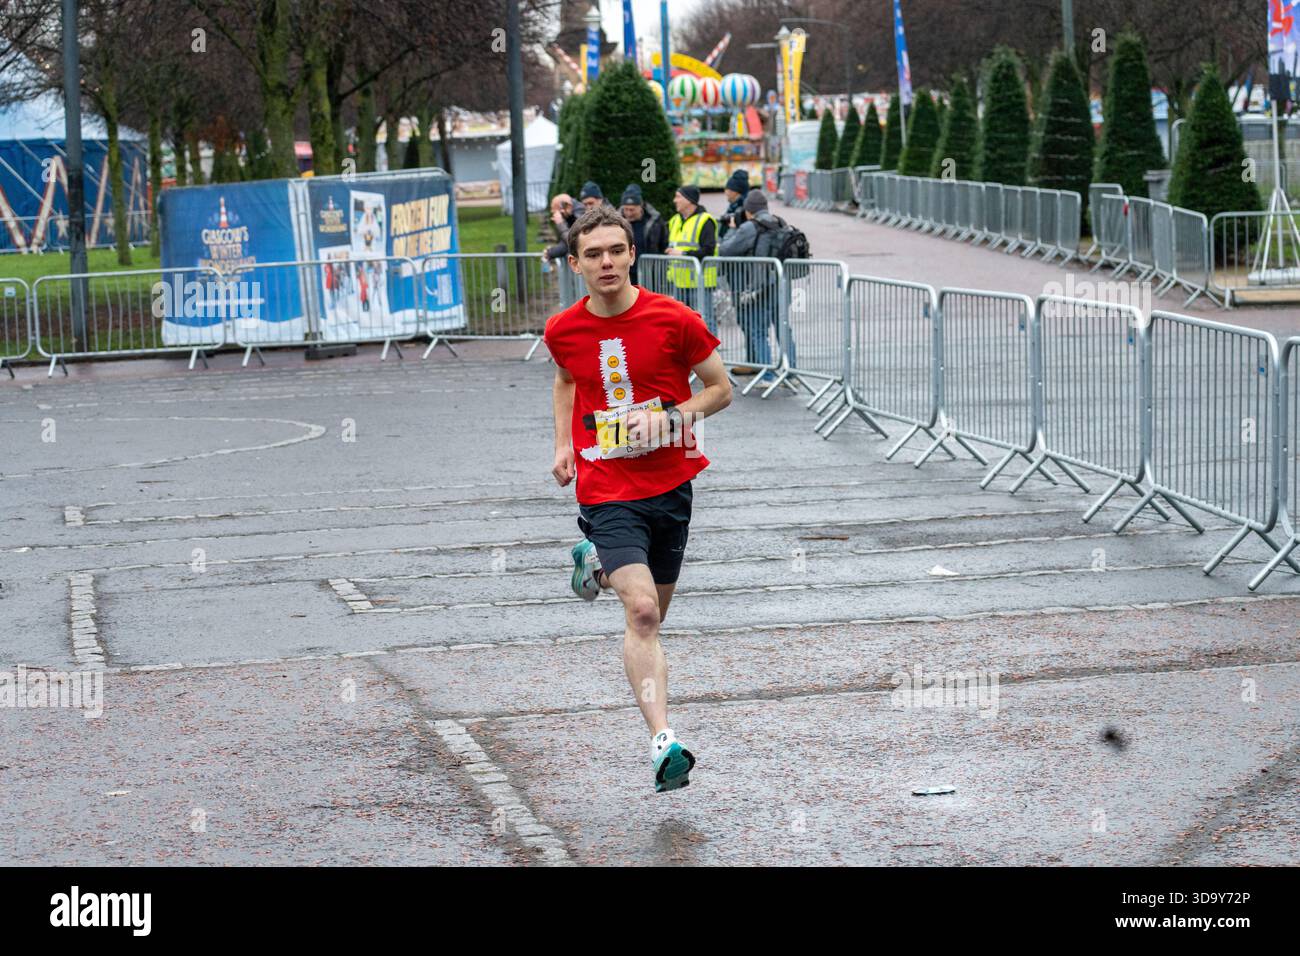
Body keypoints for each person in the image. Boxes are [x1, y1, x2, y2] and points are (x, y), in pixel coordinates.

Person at [544, 204, 732, 793]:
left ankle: (595, 565)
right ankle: (663, 742)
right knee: (643, 611)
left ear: (632, 255)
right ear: (575, 264)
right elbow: (567, 378)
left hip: (671, 485)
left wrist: (674, 416)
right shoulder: (562, 330)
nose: (607, 262)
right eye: (593, 254)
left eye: (616, 251)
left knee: (652, 615)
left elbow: (722, 389)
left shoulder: (675, 319)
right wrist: (563, 446)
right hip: (606, 488)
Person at [717, 189, 794, 381]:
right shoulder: (780, 222)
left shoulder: (749, 227)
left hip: (756, 286)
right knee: (782, 328)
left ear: (749, 211)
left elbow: (725, 250)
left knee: (757, 330)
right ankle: (791, 372)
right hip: (780, 283)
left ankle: (766, 374)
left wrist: (734, 228)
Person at [665, 185, 717, 295]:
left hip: (700, 284)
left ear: (688, 200)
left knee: (701, 313)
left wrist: (683, 253)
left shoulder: (705, 221)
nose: (675, 200)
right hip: (678, 284)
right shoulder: (674, 220)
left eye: (678, 197)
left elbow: (709, 251)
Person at [619, 184, 667, 286]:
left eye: (632, 210)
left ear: (640, 207)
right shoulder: (616, 222)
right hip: (625, 273)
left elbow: (664, 244)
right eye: (626, 209)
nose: (628, 213)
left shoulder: (655, 221)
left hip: (650, 274)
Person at [542, 193, 577, 266]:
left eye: (555, 212)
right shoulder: (570, 216)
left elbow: (574, 242)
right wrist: (552, 251)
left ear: (566, 207)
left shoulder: (579, 215)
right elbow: (565, 244)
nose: (553, 217)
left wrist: (560, 223)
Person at [716, 169, 750, 241]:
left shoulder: (741, 211)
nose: (726, 192)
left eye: (728, 189)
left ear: (736, 192)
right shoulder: (734, 206)